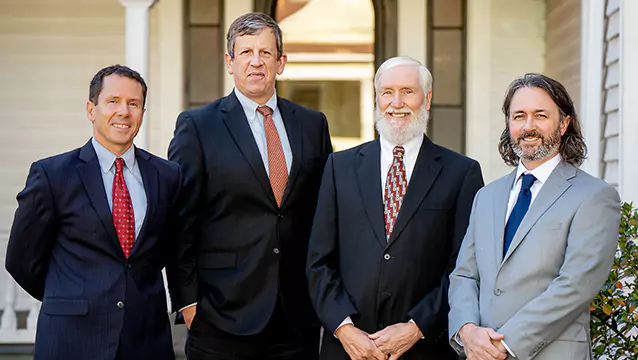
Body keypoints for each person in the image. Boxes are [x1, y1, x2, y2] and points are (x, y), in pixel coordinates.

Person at [166, 12, 332, 360]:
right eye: (246, 53)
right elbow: (180, 218)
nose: (256, 63)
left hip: (297, 315)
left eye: (266, 53)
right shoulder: (198, 126)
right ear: (230, 62)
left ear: (281, 62)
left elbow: (324, 214)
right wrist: (188, 302)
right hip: (220, 315)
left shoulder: (312, 125)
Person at [306, 56, 484, 360]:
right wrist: (344, 329)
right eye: (387, 92)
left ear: (427, 99)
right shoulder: (339, 167)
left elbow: (464, 268)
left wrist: (416, 328)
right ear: (377, 98)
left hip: (425, 349)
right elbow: (319, 262)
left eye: (408, 91)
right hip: (348, 349)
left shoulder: (461, 173)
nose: (396, 102)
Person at [5, 64, 181, 360]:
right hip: (71, 340)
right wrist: (69, 297)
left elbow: (168, 251)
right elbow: (21, 259)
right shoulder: (52, 175)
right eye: (113, 102)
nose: (124, 112)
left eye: (133, 104)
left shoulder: (167, 175)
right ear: (91, 109)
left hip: (145, 341)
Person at [448, 73, 621, 360]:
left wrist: (504, 345)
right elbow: (465, 274)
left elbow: (575, 287)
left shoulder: (594, 196)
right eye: (519, 116)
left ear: (563, 123)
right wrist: (467, 330)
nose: (528, 126)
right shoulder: (487, 197)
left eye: (540, 115)